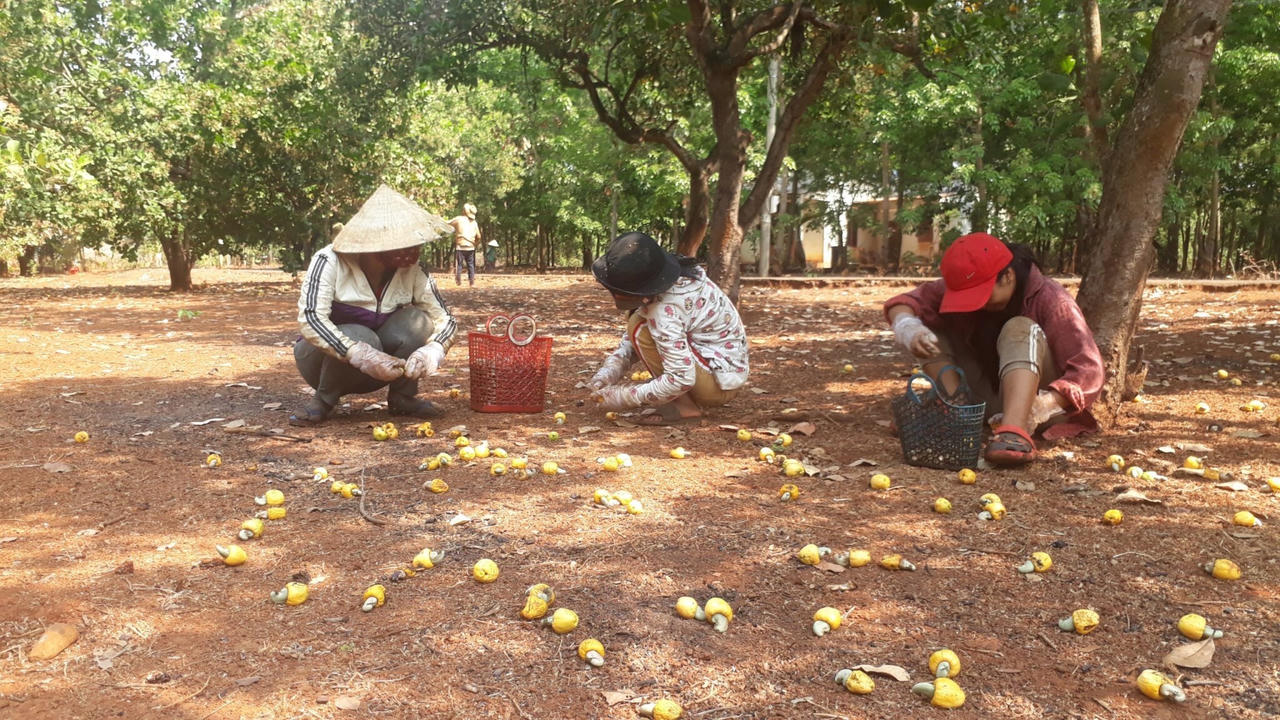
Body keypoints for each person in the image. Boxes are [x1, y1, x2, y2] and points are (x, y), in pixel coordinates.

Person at [883, 232, 1104, 465]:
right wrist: (908, 328)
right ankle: (957, 410)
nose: (976, 304)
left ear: (1007, 276)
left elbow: (1090, 371)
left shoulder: (1053, 300)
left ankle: (1015, 430)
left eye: (980, 295)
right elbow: (905, 303)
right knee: (923, 325)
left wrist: (1046, 404)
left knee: (1020, 327)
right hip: (985, 398)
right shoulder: (965, 281)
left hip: (1037, 407)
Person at [291, 184, 458, 425]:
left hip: (381, 365)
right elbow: (311, 319)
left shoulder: (413, 270)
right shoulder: (329, 261)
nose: (410, 247)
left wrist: (434, 349)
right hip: (321, 362)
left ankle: (402, 397)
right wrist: (355, 352)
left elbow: (444, 318)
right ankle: (324, 400)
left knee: (418, 321)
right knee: (362, 335)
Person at [587, 231, 749, 424]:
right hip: (724, 373)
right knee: (637, 323)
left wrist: (626, 397)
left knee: (640, 328)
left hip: (716, 385)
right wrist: (611, 369)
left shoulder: (665, 310)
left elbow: (681, 378)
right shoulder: (675, 279)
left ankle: (685, 409)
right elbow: (633, 339)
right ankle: (681, 401)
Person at [448, 202, 481, 286]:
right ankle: (472, 282)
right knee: (471, 265)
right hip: (471, 247)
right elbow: (479, 236)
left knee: (459, 264)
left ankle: (458, 281)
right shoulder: (474, 223)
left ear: (464, 211)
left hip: (460, 246)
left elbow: (447, 223)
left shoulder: (459, 219)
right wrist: (475, 244)